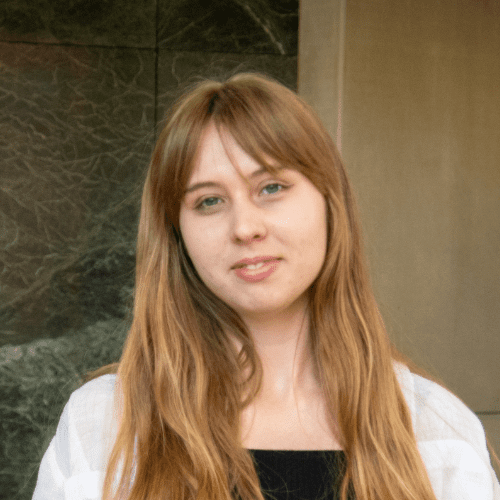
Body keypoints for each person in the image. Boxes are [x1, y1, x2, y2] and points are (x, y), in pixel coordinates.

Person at [32, 72, 500, 500]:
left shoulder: (436, 429)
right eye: (209, 201)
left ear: (329, 200)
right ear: (177, 234)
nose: (245, 227)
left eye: (271, 187)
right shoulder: (105, 425)